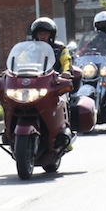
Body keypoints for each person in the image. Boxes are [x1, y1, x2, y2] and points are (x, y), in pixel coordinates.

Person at [28, 17, 75, 151]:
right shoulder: (30, 49)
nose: (42, 35)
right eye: (39, 33)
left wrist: (66, 71)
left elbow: (66, 61)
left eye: (45, 33)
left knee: (64, 101)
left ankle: (66, 134)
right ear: (35, 34)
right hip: (35, 83)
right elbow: (21, 60)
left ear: (51, 34)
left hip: (54, 84)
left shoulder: (60, 48)